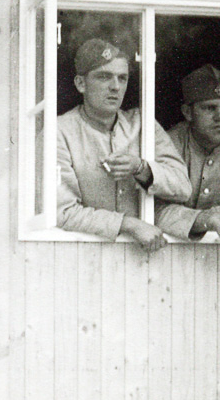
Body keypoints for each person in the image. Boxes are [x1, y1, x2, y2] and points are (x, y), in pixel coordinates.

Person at [56, 38, 192, 253]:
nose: (115, 87)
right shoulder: (59, 131)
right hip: (82, 254)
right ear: (81, 83)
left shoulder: (143, 124)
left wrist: (141, 168)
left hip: (143, 257)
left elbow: (183, 187)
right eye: (104, 77)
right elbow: (62, 211)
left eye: (122, 78)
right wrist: (128, 224)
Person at [155, 64, 220, 264]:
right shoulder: (169, 143)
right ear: (188, 112)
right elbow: (156, 211)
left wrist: (191, 219)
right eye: (209, 108)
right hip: (166, 258)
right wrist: (214, 220)